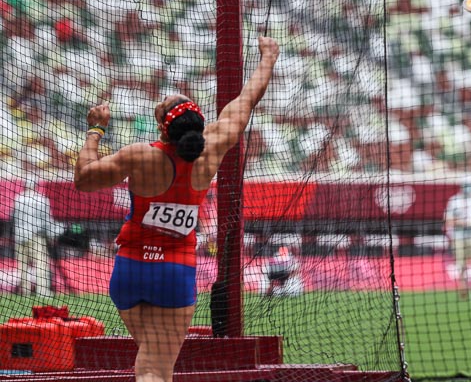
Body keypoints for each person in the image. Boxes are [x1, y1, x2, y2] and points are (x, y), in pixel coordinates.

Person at [74, 36, 279, 382]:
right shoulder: (212, 149)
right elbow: (245, 102)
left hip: (130, 269)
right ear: (200, 125)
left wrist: (95, 130)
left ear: (160, 129)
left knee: (155, 364)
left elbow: (83, 179)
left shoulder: (139, 155)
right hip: (174, 272)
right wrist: (268, 58)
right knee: (154, 367)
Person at [13, 178, 62, 297]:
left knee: (23, 266)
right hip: (37, 236)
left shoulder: (18, 199)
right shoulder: (41, 200)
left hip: (20, 236)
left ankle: (25, 291)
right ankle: (42, 291)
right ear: (35, 186)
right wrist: (52, 235)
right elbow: (47, 220)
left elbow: (14, 218)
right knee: (41, 264)